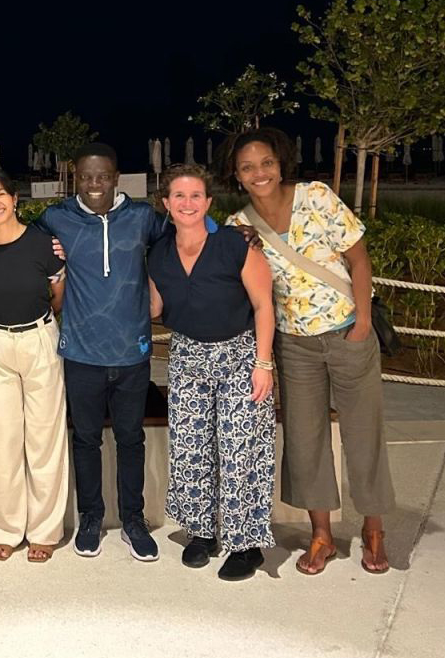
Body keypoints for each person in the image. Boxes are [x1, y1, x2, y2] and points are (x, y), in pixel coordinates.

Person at [222, 127, 395, 575]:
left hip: (346, 334)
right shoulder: (239, 227)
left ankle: (373, 529)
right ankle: (322, 535)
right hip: (293, 346)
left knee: (363, 434)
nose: (259, 173)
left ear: (280, 164)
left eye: (266, 163)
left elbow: (358, 258)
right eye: (247, 167)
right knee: (305, 440)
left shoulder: (316, 197)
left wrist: (361, 322)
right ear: (236, 176)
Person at [34, 142, 167, 561]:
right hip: (81, 353)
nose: (94, 184)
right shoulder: (57, 218)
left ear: (116, 176)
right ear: (77, 177)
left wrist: (229, 233)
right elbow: (15, 239)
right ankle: (90, 517)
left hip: (132, 353)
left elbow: (188, 234)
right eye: (86, 176)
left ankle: (133, 520)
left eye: (102, 176)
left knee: (131, 440)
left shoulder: (142, 217)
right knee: (86, 440)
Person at [147, 164, 277, 581]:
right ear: (166, 202)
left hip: (239, 354)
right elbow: (153, 308)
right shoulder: (159, 252)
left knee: (241, 449)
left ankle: (246, 543)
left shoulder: (236, 245)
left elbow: (263, 306)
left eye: (196, 196)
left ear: (209, 202)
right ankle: (202, 531)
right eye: (179, 196)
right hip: (186, 356)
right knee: (191, 445)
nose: (188, 203)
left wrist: (263, 363)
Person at [0, 169, 69, 563]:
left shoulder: (44, 244)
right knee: (1, 438)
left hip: (39, 339)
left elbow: (58, 292)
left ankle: (45, 530)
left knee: (45, 437)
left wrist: (42, 325)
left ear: (14, 198)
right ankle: (4, 529)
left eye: (0, 195)